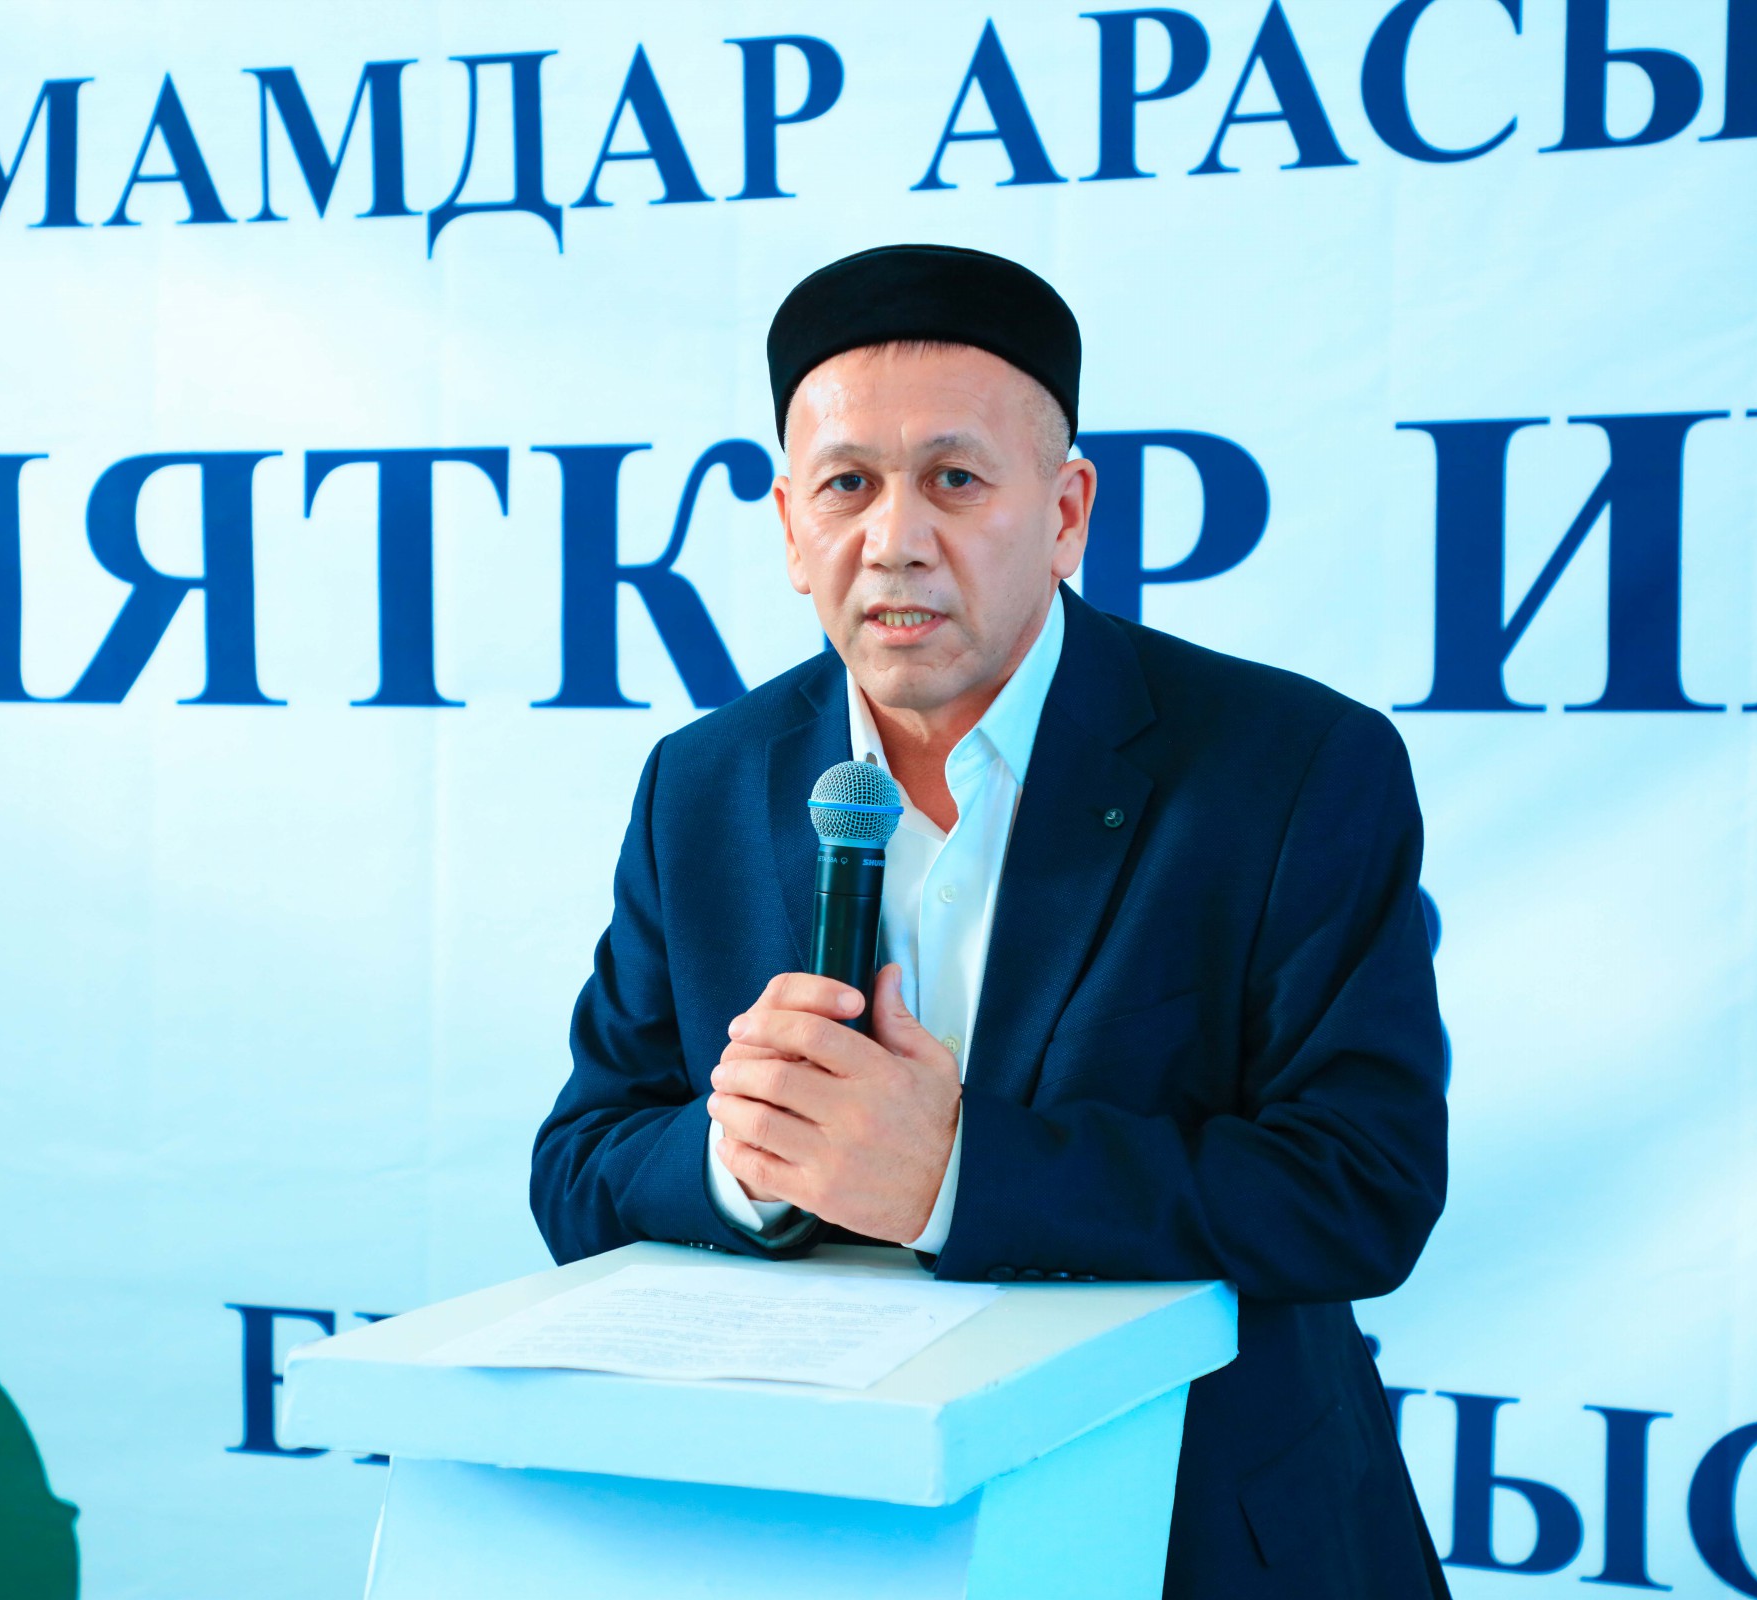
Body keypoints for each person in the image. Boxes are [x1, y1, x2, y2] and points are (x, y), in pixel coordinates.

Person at [530, 243, 1449, 1598]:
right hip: (811, 1534)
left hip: (1201, 1531)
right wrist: (753, 1154)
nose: (896, 538)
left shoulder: (1295, 768)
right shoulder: (702, 782)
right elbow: (582, 1160)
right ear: (790, 527)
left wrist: (952, 1172)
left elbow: (1360, 1187)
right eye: (847, 485)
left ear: (1067, 512)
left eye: (955, 480)